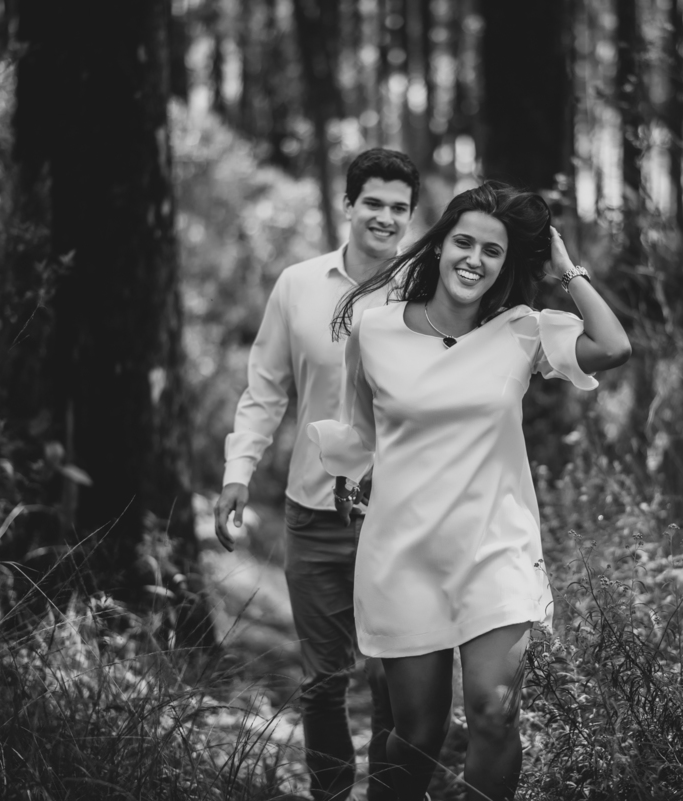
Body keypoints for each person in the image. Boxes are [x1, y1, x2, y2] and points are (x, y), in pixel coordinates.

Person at [308, 182, 631, 801]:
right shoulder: (375, 331)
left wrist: (566, 270)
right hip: (404, 554)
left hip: (495, 548)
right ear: (439, 245)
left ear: (507, 265)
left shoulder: (522, 331)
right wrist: (351, 478)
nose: (474, 259)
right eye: (464, 242)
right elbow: (364, 431)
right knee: (418, 734)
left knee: (495, 711)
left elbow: (614, 346)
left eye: (493, 251)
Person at [214, 148, 421, 801]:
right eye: (374, 203)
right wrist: (239, 470)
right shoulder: (298, 286)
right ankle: (329, 794)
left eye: (399, 208)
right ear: (349, 204)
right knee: (324, 680)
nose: (385, 217)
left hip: (400, 516)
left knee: (393, 681)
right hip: (314, 513)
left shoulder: (424, 290)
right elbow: (266, 388)